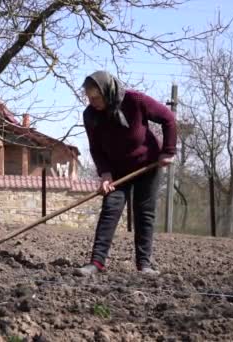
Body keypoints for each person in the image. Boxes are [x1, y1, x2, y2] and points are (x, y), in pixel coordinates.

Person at [74, 70, 176, 277]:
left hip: (146, 165)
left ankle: (144, 265)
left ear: (107, 91)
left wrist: (168, 151)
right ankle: (96, 263)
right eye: (89, 98)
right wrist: (105, 174)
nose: (92, 102)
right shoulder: (90, 115)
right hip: (117, 171)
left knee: (144, 214)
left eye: (96, 97)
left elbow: (168, 119)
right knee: (110, 210)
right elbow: (95, 148)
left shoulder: (135, 100)